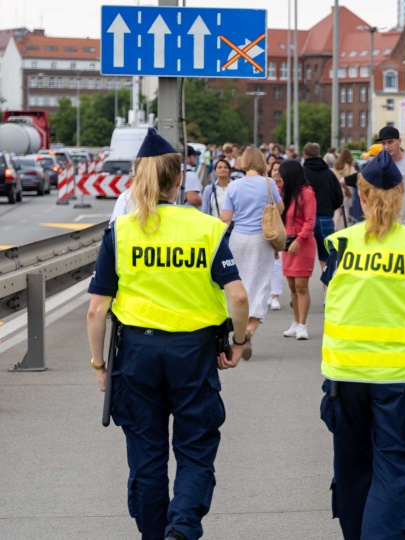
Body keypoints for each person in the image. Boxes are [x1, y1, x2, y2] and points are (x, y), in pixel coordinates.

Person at [86, 128, 249, 540]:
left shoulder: (121, 231)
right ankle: (183, 525)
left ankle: (154, 533)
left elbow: (96, 309)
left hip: (136, 353)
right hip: (193, 352)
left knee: (147, 453)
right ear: (180, 179)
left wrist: (99, 364)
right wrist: (239, 342)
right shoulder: (207, 229)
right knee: (195, 449)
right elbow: (239, 296)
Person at [319, 150, 405, 539]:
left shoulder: (340, 244)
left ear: (361, 196)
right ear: (401, 197)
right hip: (395, 379)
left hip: (345, 379)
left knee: (354, 470)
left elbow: (334, 295)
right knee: (392, 470)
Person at [219, 147, 284, 359]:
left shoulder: (233, 186)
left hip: (238, 238)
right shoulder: (269, 183)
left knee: (241, 284)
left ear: (244, 161)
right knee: (261, 284)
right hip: (261, 239)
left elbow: (226, 217)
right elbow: (280, 208)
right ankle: (249, 331)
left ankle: (239, 332)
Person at [279, 161, 317, 339]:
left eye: (282, 174)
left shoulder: (307, 193)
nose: (280, 177)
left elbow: (310, 222)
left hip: (303, 244)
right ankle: (295, 322)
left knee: (302, 286)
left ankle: (303, 324)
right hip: (287, 243)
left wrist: (299, 240)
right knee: (292, 286)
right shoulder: (284, 192)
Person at [302, 143, 343, 269]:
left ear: (304, 155)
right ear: (319, 154)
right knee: (326, 259)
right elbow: (339, 198)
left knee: (303, 260)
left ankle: (302, 289)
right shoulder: (329, 174)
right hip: (325, 218)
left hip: (305, 220)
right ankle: (327, 288)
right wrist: (329, 208)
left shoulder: (302, 173)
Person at [268, 160, 285, 311]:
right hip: (267, 227)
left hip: (281, 229)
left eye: (279, 170)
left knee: (278, 263)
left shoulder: (286, 189)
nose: (276, 173)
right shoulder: (266, 187)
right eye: (274, 170)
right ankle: (267, 292)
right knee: (266, 263)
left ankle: (275, 295)